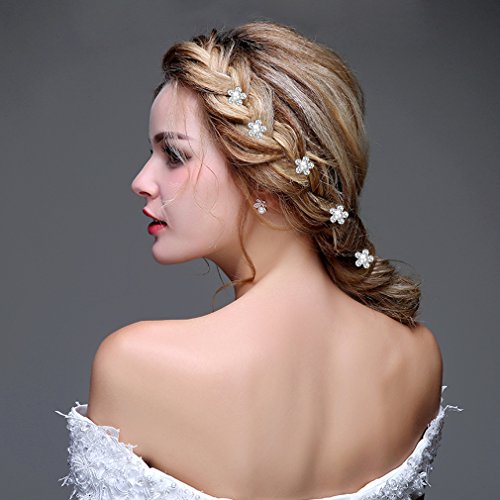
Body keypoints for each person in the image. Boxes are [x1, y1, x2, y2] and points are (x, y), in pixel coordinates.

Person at [56, 20, 463, 500]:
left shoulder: (136, 365)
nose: (141, 181)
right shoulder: (415, 356)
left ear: (264, 172)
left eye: (174, 155)